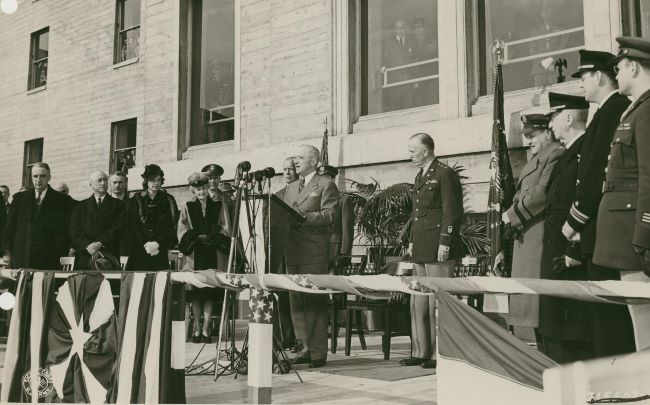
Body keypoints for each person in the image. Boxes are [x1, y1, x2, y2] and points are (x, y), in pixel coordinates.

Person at [562, 49, 635, 357]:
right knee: (603, 312)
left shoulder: (616, 108)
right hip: (597, 223)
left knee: (611, 316)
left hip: (604, 223)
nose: (581, 84)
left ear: (598, 77)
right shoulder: (605, 112)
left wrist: (577, 219)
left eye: (583, 77)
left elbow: (597, 172)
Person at [592, 37, 650, 351]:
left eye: (619, 68)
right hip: (628, 239)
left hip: (636, 241)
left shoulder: (647, 110)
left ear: (632, 66)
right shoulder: (635, 110)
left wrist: (644, 236)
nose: (616, 75)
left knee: (646, 330)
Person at [400, 133, 464, 369]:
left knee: (437, 301)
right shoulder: (421, 175)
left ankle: (440, 354)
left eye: (412, 151)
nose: (410, 156)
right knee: (419, 301)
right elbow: (417, 214)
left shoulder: (445, 174)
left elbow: (452, 211)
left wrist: (445, 242)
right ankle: (420, 351)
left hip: (438, 245)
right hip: (422, 245)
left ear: (425, 150)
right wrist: (411, 240)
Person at [538, 93, 593, 363]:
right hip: (557, 252)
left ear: (569, 117)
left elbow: (586, 202)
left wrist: (574, 246)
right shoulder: (569, 153)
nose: (550, 125)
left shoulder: (585, 151)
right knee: (557, 328)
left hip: (568, 256)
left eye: (554, 118)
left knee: (572, 331)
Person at [503, 114, 564, 347]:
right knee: (528, 303)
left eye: (532, 136)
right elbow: (521, 194)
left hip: (537, 234)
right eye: (526, 136)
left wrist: (510, 216)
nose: (528, 141)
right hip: (525, 233)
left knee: (536, 304)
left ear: (547, 132)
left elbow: (541, 194)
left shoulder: (555, 154)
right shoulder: (537, 159)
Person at [283, 145, 338, 368]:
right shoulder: (292, 187)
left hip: (313, 250)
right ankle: (303, 347)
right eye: (295, 157)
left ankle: (317, 352)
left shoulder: (325, 184)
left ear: (314, 161)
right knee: (296, 301)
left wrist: (304, 217)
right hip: (292, 249)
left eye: (300, 157)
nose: (296, 161)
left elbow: (330, 214)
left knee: (314, 301)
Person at [177, 172, 229, 343]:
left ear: (208, 188)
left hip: (212, 250)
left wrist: (213, 237)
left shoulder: (218, 205)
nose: (201, 192)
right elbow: (182, 228)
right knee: (196, 292)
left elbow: (225, 226)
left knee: (209, 292)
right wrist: (194, 237)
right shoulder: (187, 207)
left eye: (204, 188)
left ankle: (206, 329)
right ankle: (197, 330)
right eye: (198, 189)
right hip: (195, 252)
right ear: (194, 190)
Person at [2, 163, 74, 269]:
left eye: (42, 176)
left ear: (49, 177)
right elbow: (10, 227)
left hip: (49, 258)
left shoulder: (62, 201)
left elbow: (69, 228)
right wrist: (6, 251)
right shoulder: (19, 199)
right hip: (22, 257)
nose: (38, 180)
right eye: (35, 176)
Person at [269, 157, 299, 350]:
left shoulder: (303, 191)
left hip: (298, 251)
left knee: (297, 296)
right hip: (281, 252)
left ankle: (299, 338)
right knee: (283, 296)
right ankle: (286, 337)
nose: (287, 173)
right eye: (284, 169)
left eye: (291, 169)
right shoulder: (277, 196)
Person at [125, 164, 177, 271]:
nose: (156, 183)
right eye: (152, 180)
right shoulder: (135, 200)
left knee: (158, 283)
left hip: (159, 249)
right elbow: (133, 225)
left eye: (158, 180)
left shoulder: (168, 200)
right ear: (146, 181)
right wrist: (145, 243)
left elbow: (171, 225)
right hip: (139, 249)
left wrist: (157, 243)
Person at [69, 171, 125, 270]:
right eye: (99, 180)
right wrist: (88, 245)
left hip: (108, 256)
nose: (103, 183)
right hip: (85, 255)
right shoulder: (80, 206)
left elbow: (118, 228)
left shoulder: (118, 205)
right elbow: (75, 230)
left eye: (105, 180)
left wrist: (100, 243)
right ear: (91, 184)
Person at [317, 165, 355, 257]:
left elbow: (347, 228)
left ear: (333, 180)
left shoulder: (343, 199)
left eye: (327, 179)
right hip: (315, 247)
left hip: (334, 247)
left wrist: (345, 253)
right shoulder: (315, 199)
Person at [381, 19, 413, 111]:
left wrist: (415, 80)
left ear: (405, 28)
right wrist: (384, 67)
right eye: (398, 28)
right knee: (396, 106)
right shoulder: (389, 44)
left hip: (408, 79)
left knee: (409, 106)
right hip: (395, 79)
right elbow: (385, 59)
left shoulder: (411, 41)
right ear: (395, 30)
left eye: (402, 27)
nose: (400, 30)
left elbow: (415, 59)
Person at [410, 18, 438, 107]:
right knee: (419, 105)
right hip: (418, 79)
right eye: (415, 28)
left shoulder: (432, 40)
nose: (417, 30)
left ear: (424, 27)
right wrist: (414, 80)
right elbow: (411, 61)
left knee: (432, 103)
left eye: (419, 27)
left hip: (431, 78)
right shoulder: (410, 43)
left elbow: (432, 55)